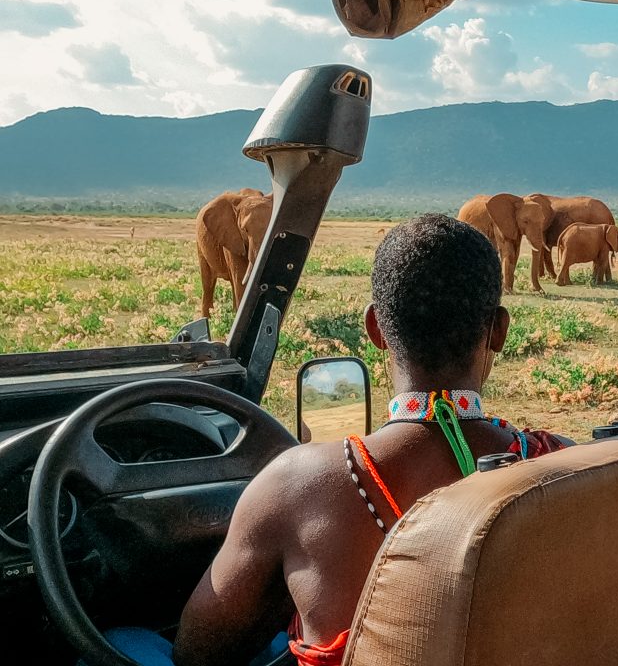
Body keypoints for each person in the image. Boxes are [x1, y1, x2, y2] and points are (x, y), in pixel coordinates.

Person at [165, 213, 567, 666]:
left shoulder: (296, 485)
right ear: (499, 330)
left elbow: (198, 653)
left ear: (375, 328)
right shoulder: (566, 465)